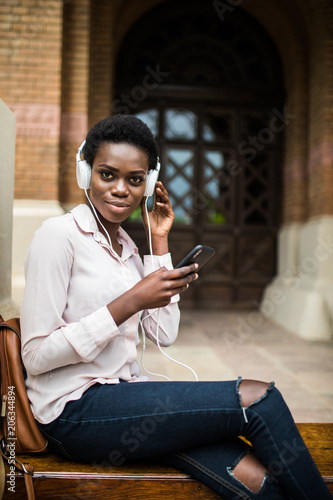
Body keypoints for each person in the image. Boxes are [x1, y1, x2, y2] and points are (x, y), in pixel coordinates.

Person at [21, 115, 331, 500]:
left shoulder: (130, 250)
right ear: (86, 173)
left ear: (148, 184)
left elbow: (164, 334)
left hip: (126, 401)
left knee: (256, 480)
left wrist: (160, 243)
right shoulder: (59, 236)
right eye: (107, 174)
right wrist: (128, 302)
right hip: (74, 413)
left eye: (135, 180)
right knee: (258, 398)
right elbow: (34, 356)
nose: (120, 189)